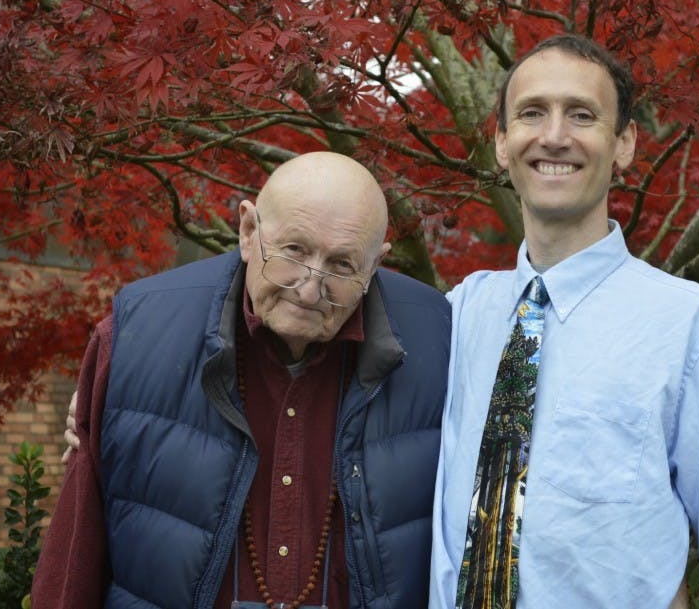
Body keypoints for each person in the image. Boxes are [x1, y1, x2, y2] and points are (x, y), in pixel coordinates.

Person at [428, 35, 699, 609]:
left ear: (624, 142)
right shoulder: (457, 317)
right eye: (532, 113)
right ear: (502, 143)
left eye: (582, 114)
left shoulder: (695, 328)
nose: (554, 135)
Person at [31, 152, 452, 609]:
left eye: (343, 265)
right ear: (249, 232)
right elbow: (72, 563)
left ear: (375, 265)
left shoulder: (442, 347)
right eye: (293, 251)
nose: (310, 290)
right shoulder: (135, 340)